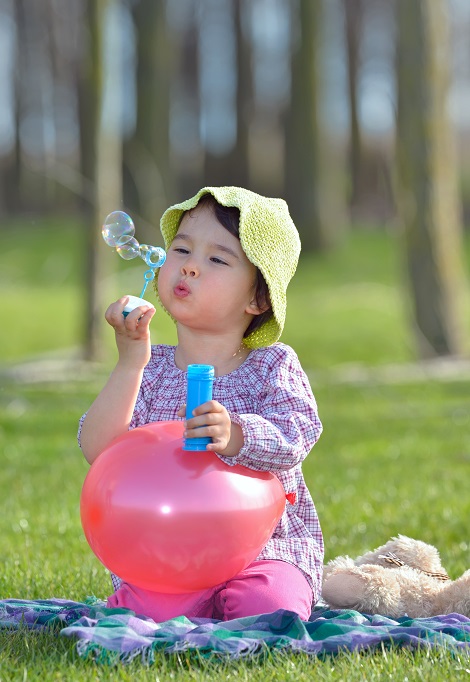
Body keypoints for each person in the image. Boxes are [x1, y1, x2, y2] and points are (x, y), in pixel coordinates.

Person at [78, 186, 323, 622]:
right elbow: (98, 449)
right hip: (167, 556)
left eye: (216, 259)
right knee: (143, 616)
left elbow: (298, 433)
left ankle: (262, 598)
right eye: (182, 249)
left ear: (258, 299)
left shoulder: (272, 365)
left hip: (266, 551)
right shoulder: (149, 371)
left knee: (268, 611)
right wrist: (131, 362)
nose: (190, 265)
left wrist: (237, 435)